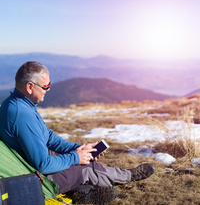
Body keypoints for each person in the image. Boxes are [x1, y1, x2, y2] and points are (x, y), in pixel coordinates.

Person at [0, 61, 155, 204]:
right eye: (45, 86)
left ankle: (82, 193)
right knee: (86, 169)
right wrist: (76, 157)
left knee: (82, 159)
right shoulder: (22, 114)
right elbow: (43, 165)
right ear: (29, 87)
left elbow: (48, 137)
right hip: (40, 178)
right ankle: (128, 176)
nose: (49, 89)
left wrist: (78, 149)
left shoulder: (19, 104)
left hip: (36, 160)